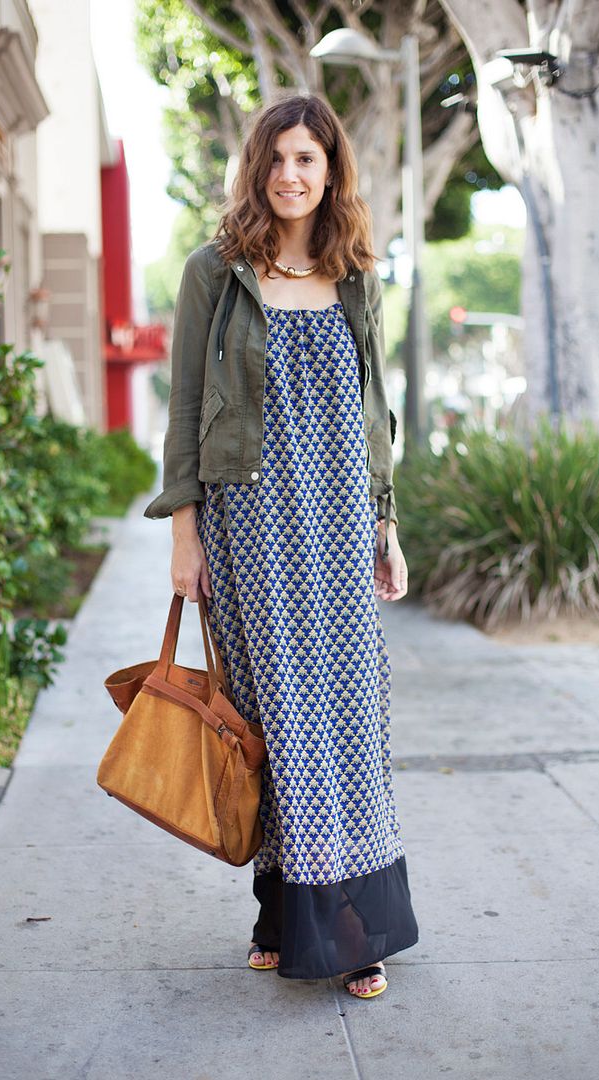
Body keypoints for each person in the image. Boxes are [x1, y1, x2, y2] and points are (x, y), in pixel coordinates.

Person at [144, 92, 419, 999]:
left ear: (331, 171)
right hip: (250, 530)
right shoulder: (215, 271)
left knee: (347, 723)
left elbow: (376, 409)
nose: (290, 175)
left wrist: (386, 524)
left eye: (308, 158)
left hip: (338, 531)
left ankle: (350, 926)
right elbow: (185, 406)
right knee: (277, 723)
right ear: (255, 167)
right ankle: (284, 914)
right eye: (276, 158)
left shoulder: (356, 275)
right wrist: (184, 533)